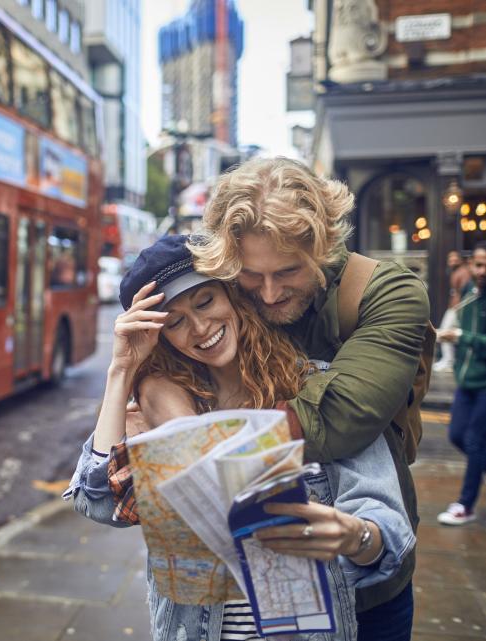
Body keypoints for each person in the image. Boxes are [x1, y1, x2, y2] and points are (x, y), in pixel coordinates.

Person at [66, 234, 415, 641]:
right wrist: (121, 371)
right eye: (175, 321)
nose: (200, 328)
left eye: (205, 301)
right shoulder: (165, 408)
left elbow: (387, 529)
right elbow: (98, 502)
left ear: (233, 295)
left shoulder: (316, 386)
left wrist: (355, 536)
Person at [188, 157, 429, 641]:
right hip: (245, 588)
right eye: (252, 276)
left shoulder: (391, 293)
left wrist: (193, 443)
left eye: (289, 270)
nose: (271, 293)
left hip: (364, 581)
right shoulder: (224, 295)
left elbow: (338, 418)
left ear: (325, 245)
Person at [436, 242, 486, 526]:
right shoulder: (471, 293)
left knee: (475, 441)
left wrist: (461, 337)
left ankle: (466, 505)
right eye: (478, 264)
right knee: (456, 435)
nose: (482, 270)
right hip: (467, 382)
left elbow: (470, 336)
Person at [433, 250, 473, 372]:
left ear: (460, 260)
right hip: (454, 308)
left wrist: (459, 309)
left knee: (445, 332)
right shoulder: (455, 272)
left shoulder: (464, 272)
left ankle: (449, 361)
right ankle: (447, 360)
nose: (452, 261)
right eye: (450, 259)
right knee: (446, 332)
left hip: (457, 309)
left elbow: (465, 293)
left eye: (455, 259)